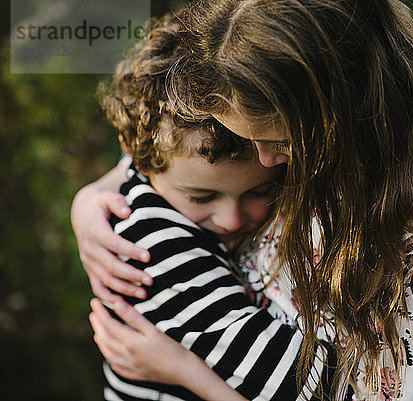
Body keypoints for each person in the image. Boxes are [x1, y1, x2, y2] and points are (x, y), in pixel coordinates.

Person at [74, 1, 413, 399]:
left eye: (281, 139)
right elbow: (162, 150)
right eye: (248, 137)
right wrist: (93, 195)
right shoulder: (163, 227)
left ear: (344, 107)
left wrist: (188, 373)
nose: (267, 161)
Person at [86, 14, 337, 401]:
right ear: (136, 156)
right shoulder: (153, 248)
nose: (232, 219)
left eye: (260, 192)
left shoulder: (164, 177)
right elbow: (314, 389)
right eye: (202, 198)